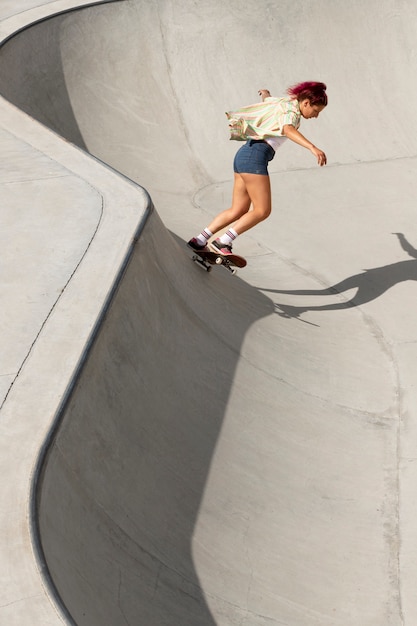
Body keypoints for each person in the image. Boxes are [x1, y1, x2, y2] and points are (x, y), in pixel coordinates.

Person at [188, 81, 328, 255]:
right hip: (254, 158)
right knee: (262, 210)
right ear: (306, 102)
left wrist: (265, 93)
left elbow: (267, 100)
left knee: (238, 210)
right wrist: (312, 147)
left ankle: (199, 240)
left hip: (243, 155)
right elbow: (288, 129)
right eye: (316, 111)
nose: (316, 116)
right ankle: (223, 242)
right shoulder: (292, 112)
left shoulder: (282, 103)